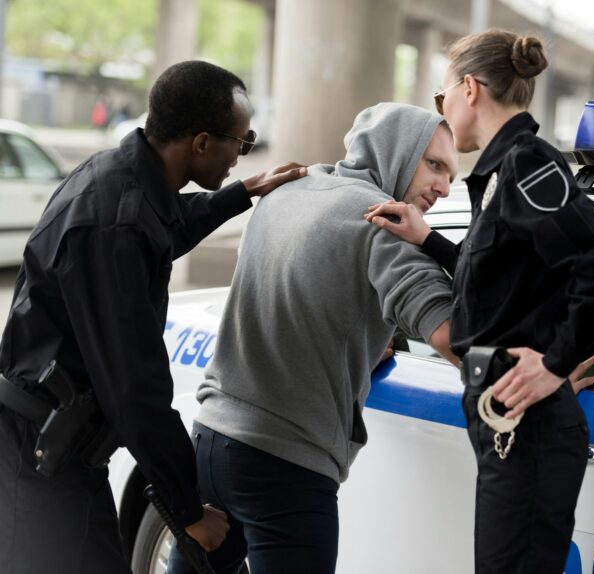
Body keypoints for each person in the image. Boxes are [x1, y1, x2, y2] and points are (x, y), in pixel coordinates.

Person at [0, 60, 307, 574]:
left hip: (65, 451)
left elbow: (164, 227)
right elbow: (134, 386)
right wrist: (186, 510)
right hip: (36, 458)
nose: (241, 153)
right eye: (242, 141)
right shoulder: (113, 224)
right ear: (202, 143)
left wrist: (242, 193)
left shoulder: (122, 180)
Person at [366, 30, 594, 573]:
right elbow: (503, 280)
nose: (441, 110)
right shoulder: (501, 170)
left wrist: (556, 362)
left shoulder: (526, 164)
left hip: (528, 421)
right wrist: (429, 239)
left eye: (441, 97)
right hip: (507, 419)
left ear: (469, 89)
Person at [166, 102, 459, 574]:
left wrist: (357, 347)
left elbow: (299, 294)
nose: (444, 187)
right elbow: (453, 337)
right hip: (286, 468)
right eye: (435, 165)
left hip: (211, 441)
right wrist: (536, 379)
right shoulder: (381, 224)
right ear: (397, 151)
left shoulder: (287, 191)